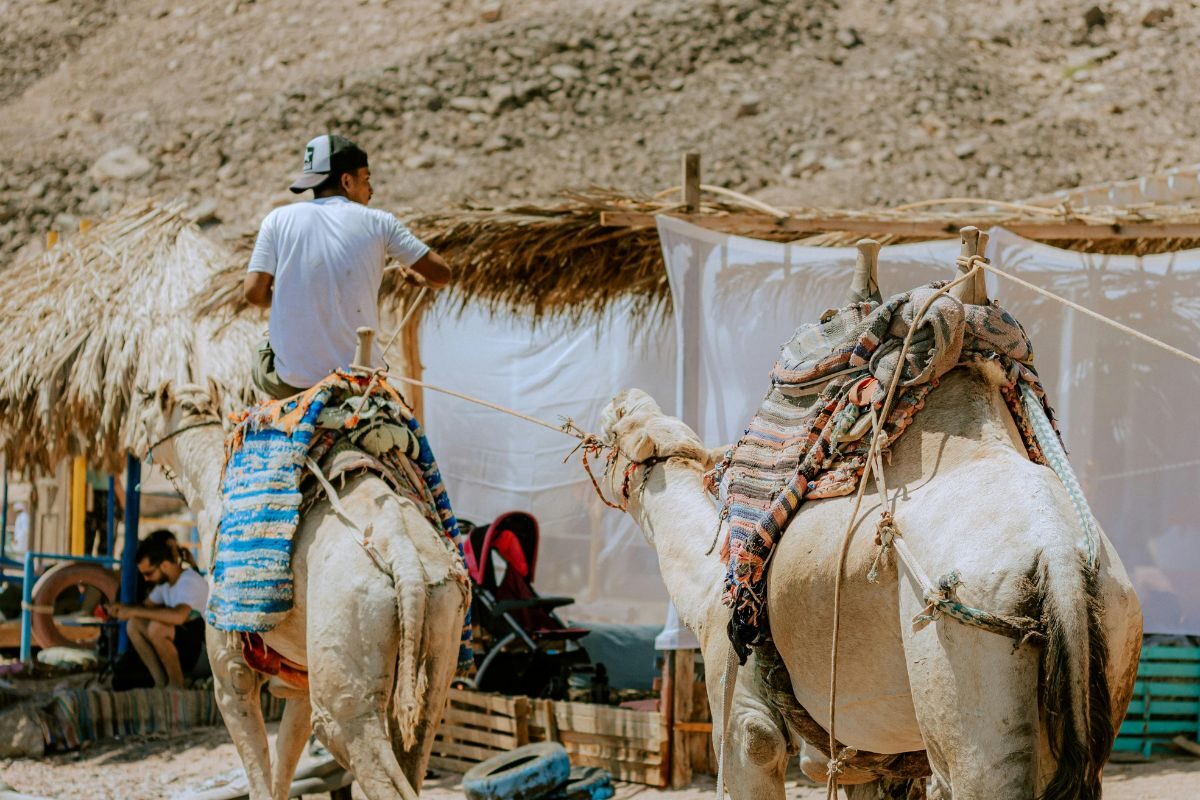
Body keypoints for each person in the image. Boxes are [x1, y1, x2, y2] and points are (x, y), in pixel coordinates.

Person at [243, 134, 452, 399]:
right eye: (366, 179)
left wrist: (295, 297)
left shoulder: (277, 219)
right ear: (346, 181)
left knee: (263, 355)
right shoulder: (380, 222)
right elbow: (442, 274)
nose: (371, 190)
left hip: (291, 381)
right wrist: (422, 281)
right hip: (358, 378)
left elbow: (253, 294)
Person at [108, 535, 208, 689]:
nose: (146, 579)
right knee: (134, 624)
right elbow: (144, 608)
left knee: (157, 628)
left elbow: (178, 616)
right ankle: (161, 683)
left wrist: (133, 610)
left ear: (165, 566)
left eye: (149, 573)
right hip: (190, 653)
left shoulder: (189, 581)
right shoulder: (165, 585)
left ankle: (176, 685)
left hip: (204, 657)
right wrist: (121, 609)